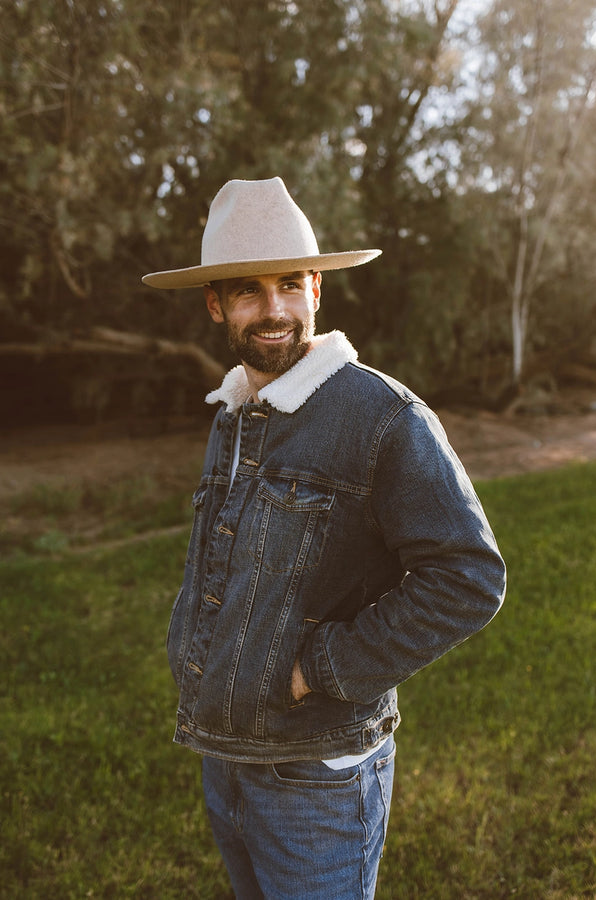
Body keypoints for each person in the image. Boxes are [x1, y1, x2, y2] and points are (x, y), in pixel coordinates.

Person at [142, 176, 506, 899]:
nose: (273, 310)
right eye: (247, 291)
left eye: (289, 284)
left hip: (318, 776)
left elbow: (468, 577)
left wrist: (318, 670)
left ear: (317, 289)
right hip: (227, 756)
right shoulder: (235, 412)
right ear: (216, 305)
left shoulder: (382, 418)